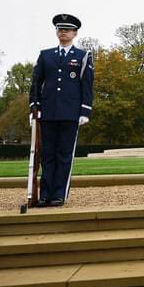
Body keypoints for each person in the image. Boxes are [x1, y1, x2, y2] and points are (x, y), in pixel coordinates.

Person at [29, 14, 94, 207]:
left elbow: (87, 85)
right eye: (60, 29)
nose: (63, 32)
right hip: (48, 111)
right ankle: (45, 194)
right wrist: (34, 106)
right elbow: (36, 83)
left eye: (67, 29)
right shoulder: (45, 55)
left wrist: (85, 110)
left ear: (74, 33)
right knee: (47, 154)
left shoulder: (82, 56)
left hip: (70, 112)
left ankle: (59, 194)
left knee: (64, 154)